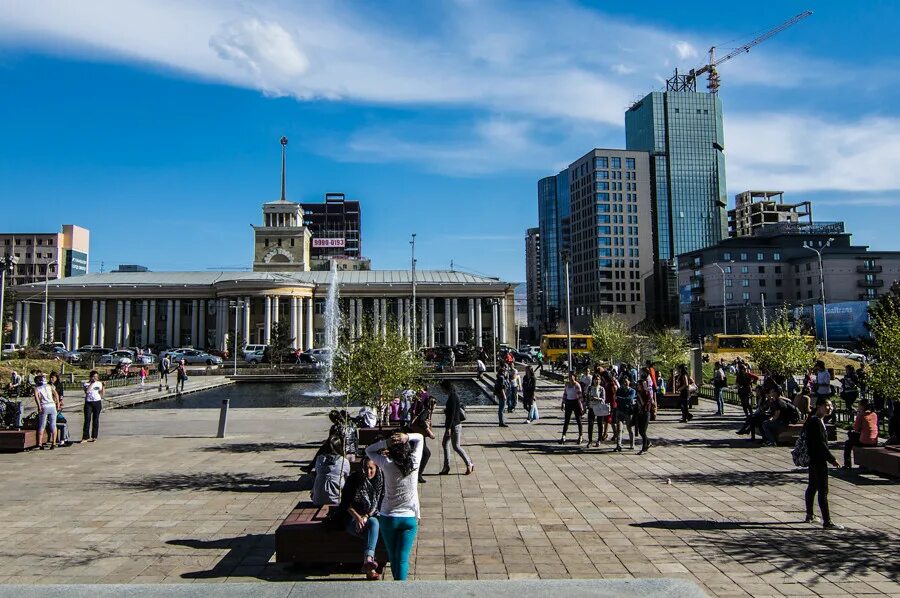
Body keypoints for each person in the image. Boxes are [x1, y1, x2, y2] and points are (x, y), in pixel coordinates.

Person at [365, 432, 424, 581]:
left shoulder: (386, 464)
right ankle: (401, 590)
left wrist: (386, 443)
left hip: (388, 517)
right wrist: (407, 437)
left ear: (391, 450)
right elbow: (421, 438)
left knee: (393, 557)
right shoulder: (414, 462)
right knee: (403, 559)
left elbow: (368, 450)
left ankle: (397, 589)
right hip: (409, 518)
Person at [332, 456, 385, 580]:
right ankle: (369, 563)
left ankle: (368, 563)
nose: (368, 472)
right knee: (372, 527)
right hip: (351, 518)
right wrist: (358, 518)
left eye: (371, 468)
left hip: (371, 518)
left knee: (373, 523)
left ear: (376, 467)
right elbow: (345, 504)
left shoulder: (380, 481)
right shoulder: (354, 479)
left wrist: (366, 516)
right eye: (365, 468)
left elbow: (379, 505)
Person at [803, 397, 843, 529]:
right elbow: (821, 445)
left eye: (831, 406)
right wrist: (832, 459)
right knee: (823, 490)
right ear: (818, 406)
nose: (829, 408)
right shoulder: (816, 422)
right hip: (819, 460)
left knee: (813, 486)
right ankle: (827, 521)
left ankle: (810, 515)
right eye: (826, 405)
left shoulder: (815, 420)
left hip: (813, 459)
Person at [439, 379, 474, 475]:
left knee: (456, 446)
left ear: (446, 388)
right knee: (445, 444)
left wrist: (449, 428)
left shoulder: (453, 397)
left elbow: (453, 413)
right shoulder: (452, 396)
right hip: (453, 425)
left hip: (454, 425)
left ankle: (469, 463)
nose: (442, 391)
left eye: (442, 388)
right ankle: (446, 466)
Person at [311, 436, 350, 507]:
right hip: (337, 500)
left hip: (318, 499)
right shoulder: (344, 461)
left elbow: (317, 473)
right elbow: (347, 479)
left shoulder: (319, 459)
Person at [843, 398, 878, 469]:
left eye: (859, 405)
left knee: (848, 443)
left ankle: (847, 464)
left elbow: (856, 429)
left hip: (864, 441)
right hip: (874, 441)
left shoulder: (861, 415)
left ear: (862, 406)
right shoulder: (874, 414)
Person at [33, 372, 60, 450]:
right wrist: (57, 404)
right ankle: (54, 443)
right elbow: (56, 394)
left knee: (42, 425)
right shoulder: (49, 386)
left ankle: (40, 444)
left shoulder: (37, 388)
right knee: (53, 425)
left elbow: (37, 398)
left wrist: (39, 406)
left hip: (44, 406)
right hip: (52, 405)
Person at [559, 372, 583, 444]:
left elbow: (580, 397)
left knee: (578, 420)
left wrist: (582, 406)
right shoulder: (567, 385)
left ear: (574, 377)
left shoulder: (577, 385)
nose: (570, 378)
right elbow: (565, 394)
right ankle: (563, 436)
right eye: (569, 377)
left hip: (576, 402)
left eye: (572, 377)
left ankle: (580, 436)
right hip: (568, 402)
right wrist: (563, 403)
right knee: (566, 420)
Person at [614, 377, 636, 451]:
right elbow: (616, 399)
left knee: (630, 428)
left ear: (629, 382)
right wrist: (623, 399)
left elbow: (630, 399)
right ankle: (618, 445)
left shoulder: (632, 391)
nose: (625, 383)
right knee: (619, 429)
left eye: (626, 381)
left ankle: (632, 444)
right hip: (619, 411)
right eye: (623, 382)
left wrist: (621, 399)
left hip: (628, 412)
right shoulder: (619, 390)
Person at [82, 370, 103, 443]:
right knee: (87, 419)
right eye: (94, 376)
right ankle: (85, 437)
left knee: (95, 419)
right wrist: (91, 383)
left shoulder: (99, 383)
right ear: (91, 377)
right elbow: (86, 391)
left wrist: (103, 388)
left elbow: (101, 392)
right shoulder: (86, 384)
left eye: (96, 377)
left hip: (97, 402)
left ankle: (94, 436)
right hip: (88, 403)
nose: (95, 378)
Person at [636, 368, 654, 454]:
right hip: (640, 411)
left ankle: (644, 447)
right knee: (641, 431)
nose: (638, 386)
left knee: (643, 431)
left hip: (645, 411)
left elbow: (649, 399)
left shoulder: (646, 392)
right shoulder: (639, 392)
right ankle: (648, 442)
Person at [585, 374, 604, 447]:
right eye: (596, 379)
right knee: (590, 424)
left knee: (600, 424)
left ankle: (599, 439)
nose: (597, 381)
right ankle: (590, 441)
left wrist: (598, 399)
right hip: (591, 407)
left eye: (598, 379)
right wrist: (585, 406)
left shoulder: (601, 389)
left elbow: (603, 399)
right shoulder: (590, 388)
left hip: (599, 408)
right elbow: (586, 397)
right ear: (593, 380)